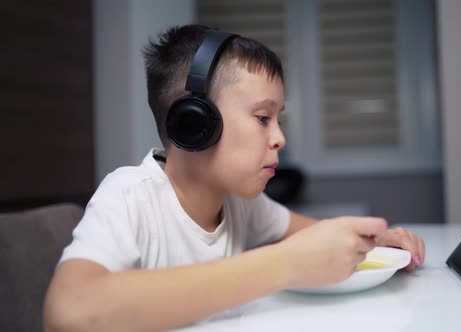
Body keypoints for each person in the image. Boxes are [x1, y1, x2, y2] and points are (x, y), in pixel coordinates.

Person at [43, 24, 425, 332]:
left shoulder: (242, 204)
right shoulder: (129, 195)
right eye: (262, 118)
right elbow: (68, 312)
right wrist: (285, 263)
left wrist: (377, 242)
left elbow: (313, 234)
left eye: (279, 119)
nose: (280, 138)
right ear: (195, 123)